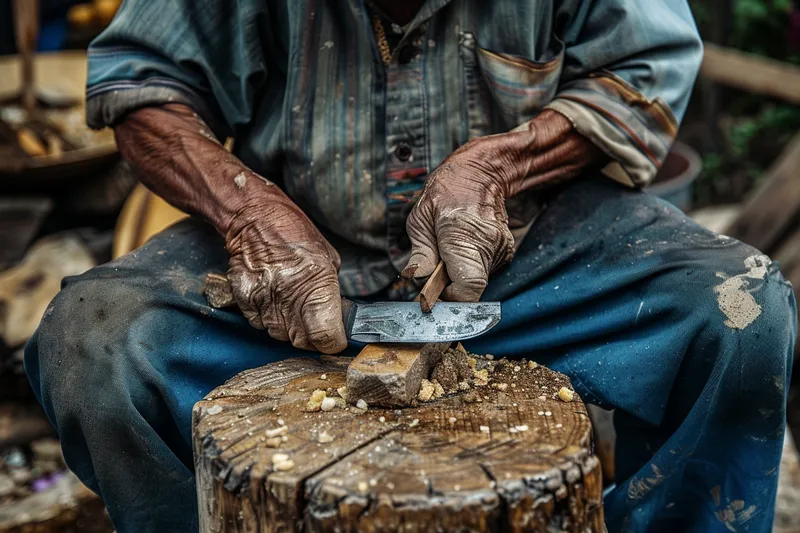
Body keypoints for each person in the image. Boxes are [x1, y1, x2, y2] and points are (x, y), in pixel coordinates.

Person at [24, 1, 796, 532]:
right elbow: (138, 84)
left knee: (741, 313)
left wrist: (501, 167)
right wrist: (248, 213)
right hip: (290, 273)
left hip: (531, 262)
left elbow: (644, 74)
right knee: (91, 346)